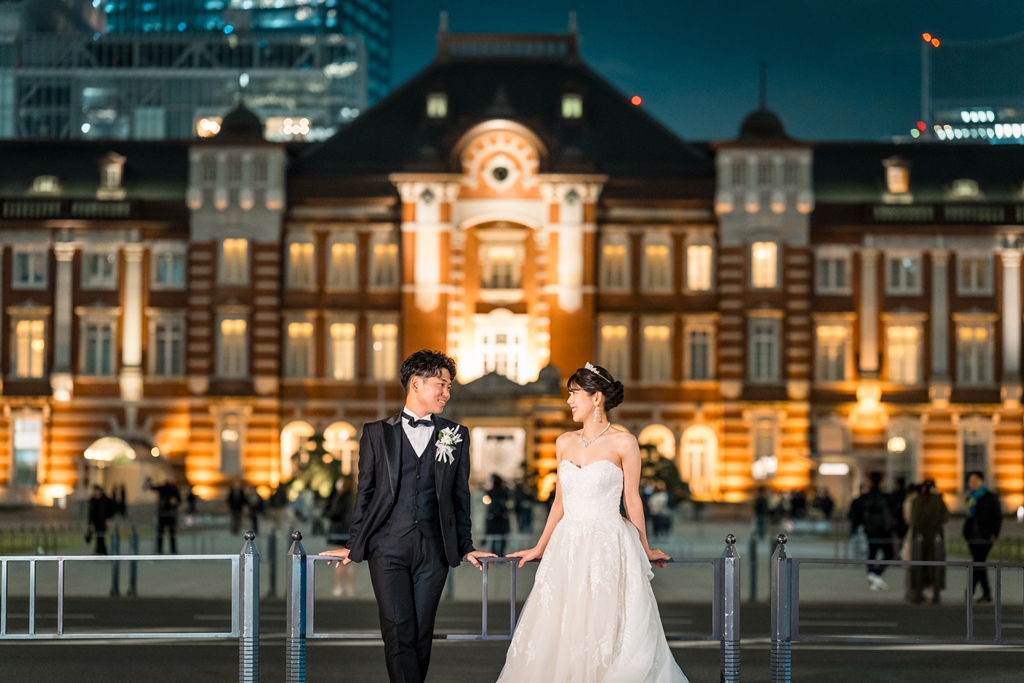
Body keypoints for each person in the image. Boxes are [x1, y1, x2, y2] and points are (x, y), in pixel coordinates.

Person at [498, 363, 687, 682]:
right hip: (567, 545)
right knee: (562, 622)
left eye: (575, 393)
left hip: (607, 544)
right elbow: (559, 502)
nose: (569, 401)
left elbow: (632, 500)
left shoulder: (624, 442)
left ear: (596, 397)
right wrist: (540, 547)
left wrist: (644, 549)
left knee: (604, 625)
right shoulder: (563, 442)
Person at [320, 350, 494, 683]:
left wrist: (466, 546)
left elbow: (460, 496)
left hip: (434, 550)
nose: (447, 393)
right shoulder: (376, 433)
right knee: (398, 631)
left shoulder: (455, 434)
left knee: (421, 633)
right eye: (441, 384)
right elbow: (366, 494)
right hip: (387, 549)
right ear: (416, 384)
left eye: (449, 386)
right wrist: (354, 544)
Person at [963, 471, 1002, 603]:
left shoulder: (989, 497)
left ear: (981, 480)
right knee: (980, 563)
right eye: (970, 481)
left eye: (975, 480)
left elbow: (997, 516)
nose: (972, 483)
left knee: (978, 562)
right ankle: (986, 593)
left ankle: (970, 591)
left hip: (984, 535)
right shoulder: (971, 497)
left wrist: (994, 533)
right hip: (972, 535)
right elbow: (969, 517)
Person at [850, 472, 894, 591]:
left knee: (872, 553)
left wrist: (856, 528)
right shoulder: (885, 497)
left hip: (870, 531)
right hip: (884, 531)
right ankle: (876, 574)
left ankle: (872, 574)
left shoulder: (865, 498)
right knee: (889, 553)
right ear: (882, 480)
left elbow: (855, 513)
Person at [909, 479, 948, 605]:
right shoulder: (938, 501)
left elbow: (913, 518)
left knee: (920, 564)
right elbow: (945, 517)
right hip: (935, 537)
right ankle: (933, 591)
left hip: (919, 538)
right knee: (935, 564)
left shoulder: (917, 501)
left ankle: (919, 592)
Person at [325, 474, 357, 597]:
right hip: (351, 533)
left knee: (338, 561)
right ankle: (350, 589)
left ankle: (338, 587)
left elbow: (335, 514)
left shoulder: (342, 497)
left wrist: (328, 512)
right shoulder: (355, 497)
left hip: (340, 532)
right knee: (349, 561)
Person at [147, 473, 181, 554]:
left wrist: (175, 502)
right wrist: (149, 482)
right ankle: (159, 549)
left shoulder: (174, 488)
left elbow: (179, 500)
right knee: (160, 533)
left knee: (172, 533)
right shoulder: (163, 487)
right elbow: (153, 488)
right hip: (162, 514)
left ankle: (173, 549)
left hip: (171, 514)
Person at [484, 474, 511, 557]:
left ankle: (494, 555)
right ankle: (501, 555)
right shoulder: (504, 492)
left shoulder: (491, 492)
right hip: (502, 517)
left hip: (494, 517)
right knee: (501, 538)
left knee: (494, 538)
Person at [86, 485, 115, 555]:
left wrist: (108, 518)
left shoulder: (105, 500)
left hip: (103, 521)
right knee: (98, 536)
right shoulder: (93, 500)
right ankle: (100, 550)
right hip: (96, 521)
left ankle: (102, 551)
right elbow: (91, 512)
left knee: (101, 535)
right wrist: (90, 523)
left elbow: (112, 509)